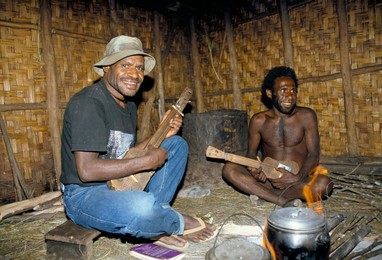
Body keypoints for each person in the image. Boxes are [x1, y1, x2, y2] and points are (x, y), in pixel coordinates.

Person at [60, 35, 215, 249]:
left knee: (176, 145)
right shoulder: (89, 103)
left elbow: (126, 153)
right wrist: (146, 162)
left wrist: (161, 133)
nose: (135, 74)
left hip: (120, 183)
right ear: (107, 67)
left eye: (140, 68)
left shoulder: (128, 105)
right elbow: (86, 170)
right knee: (141, 207)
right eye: (126, 65)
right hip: (85, 194)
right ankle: (171, 221)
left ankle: (155, 217)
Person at [222, 66, 333, 207]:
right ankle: (281, 201)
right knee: (229, 169)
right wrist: (255, 170)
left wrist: (297, 178)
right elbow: (251, 153)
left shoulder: (306, 116)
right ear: (270, 93)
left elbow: (314, 153)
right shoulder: (259, 120)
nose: (289, 96)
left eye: (293, 90)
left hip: (296, 180)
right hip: (267, 180)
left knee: (324, 184)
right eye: (283, 91)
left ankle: (264, 195)